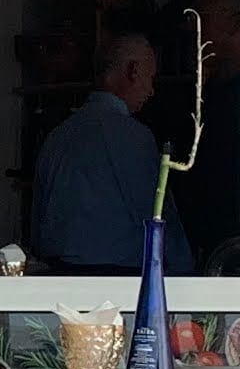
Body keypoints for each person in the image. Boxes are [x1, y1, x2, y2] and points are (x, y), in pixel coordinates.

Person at [31, 29, 163, 273]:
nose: (151, 90)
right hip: (118, 281)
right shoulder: (134, 137)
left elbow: (38, 225)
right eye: (151, 78)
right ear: (132, 71)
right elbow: (154, 219)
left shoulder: (57, 137)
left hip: (57, 277)